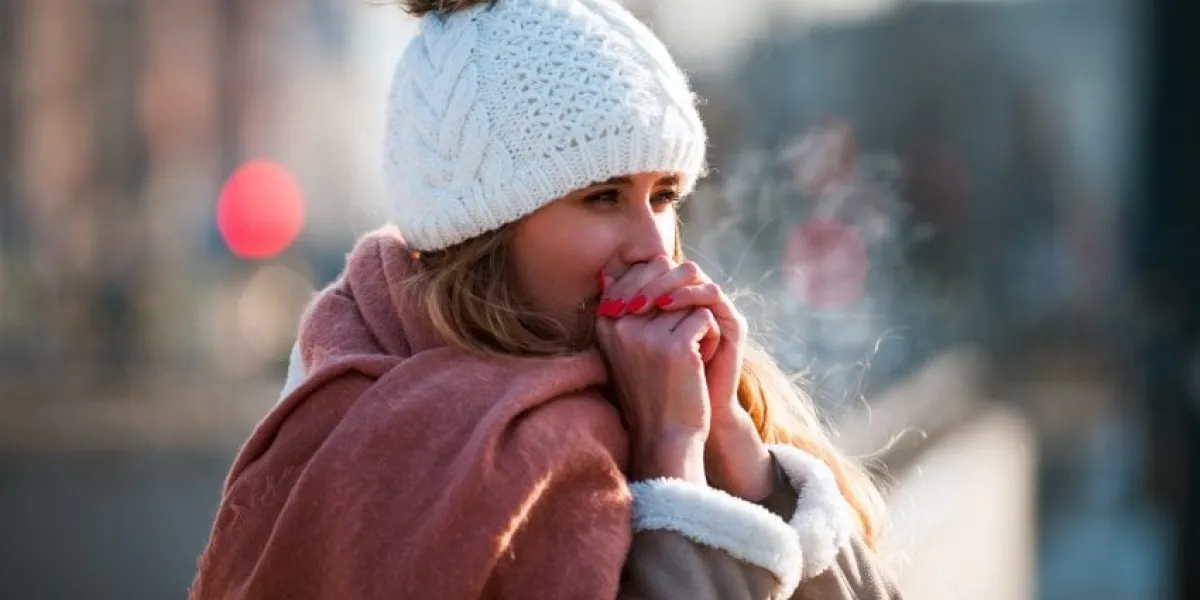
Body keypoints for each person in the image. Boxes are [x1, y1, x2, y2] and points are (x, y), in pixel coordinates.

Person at [192, 0, 903, 598]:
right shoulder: (375, 441)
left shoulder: (693, 389)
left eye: (663, 197)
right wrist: (670, 463)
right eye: (602, 197)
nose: (654, 249)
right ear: (485, 236)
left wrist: (737, 452)